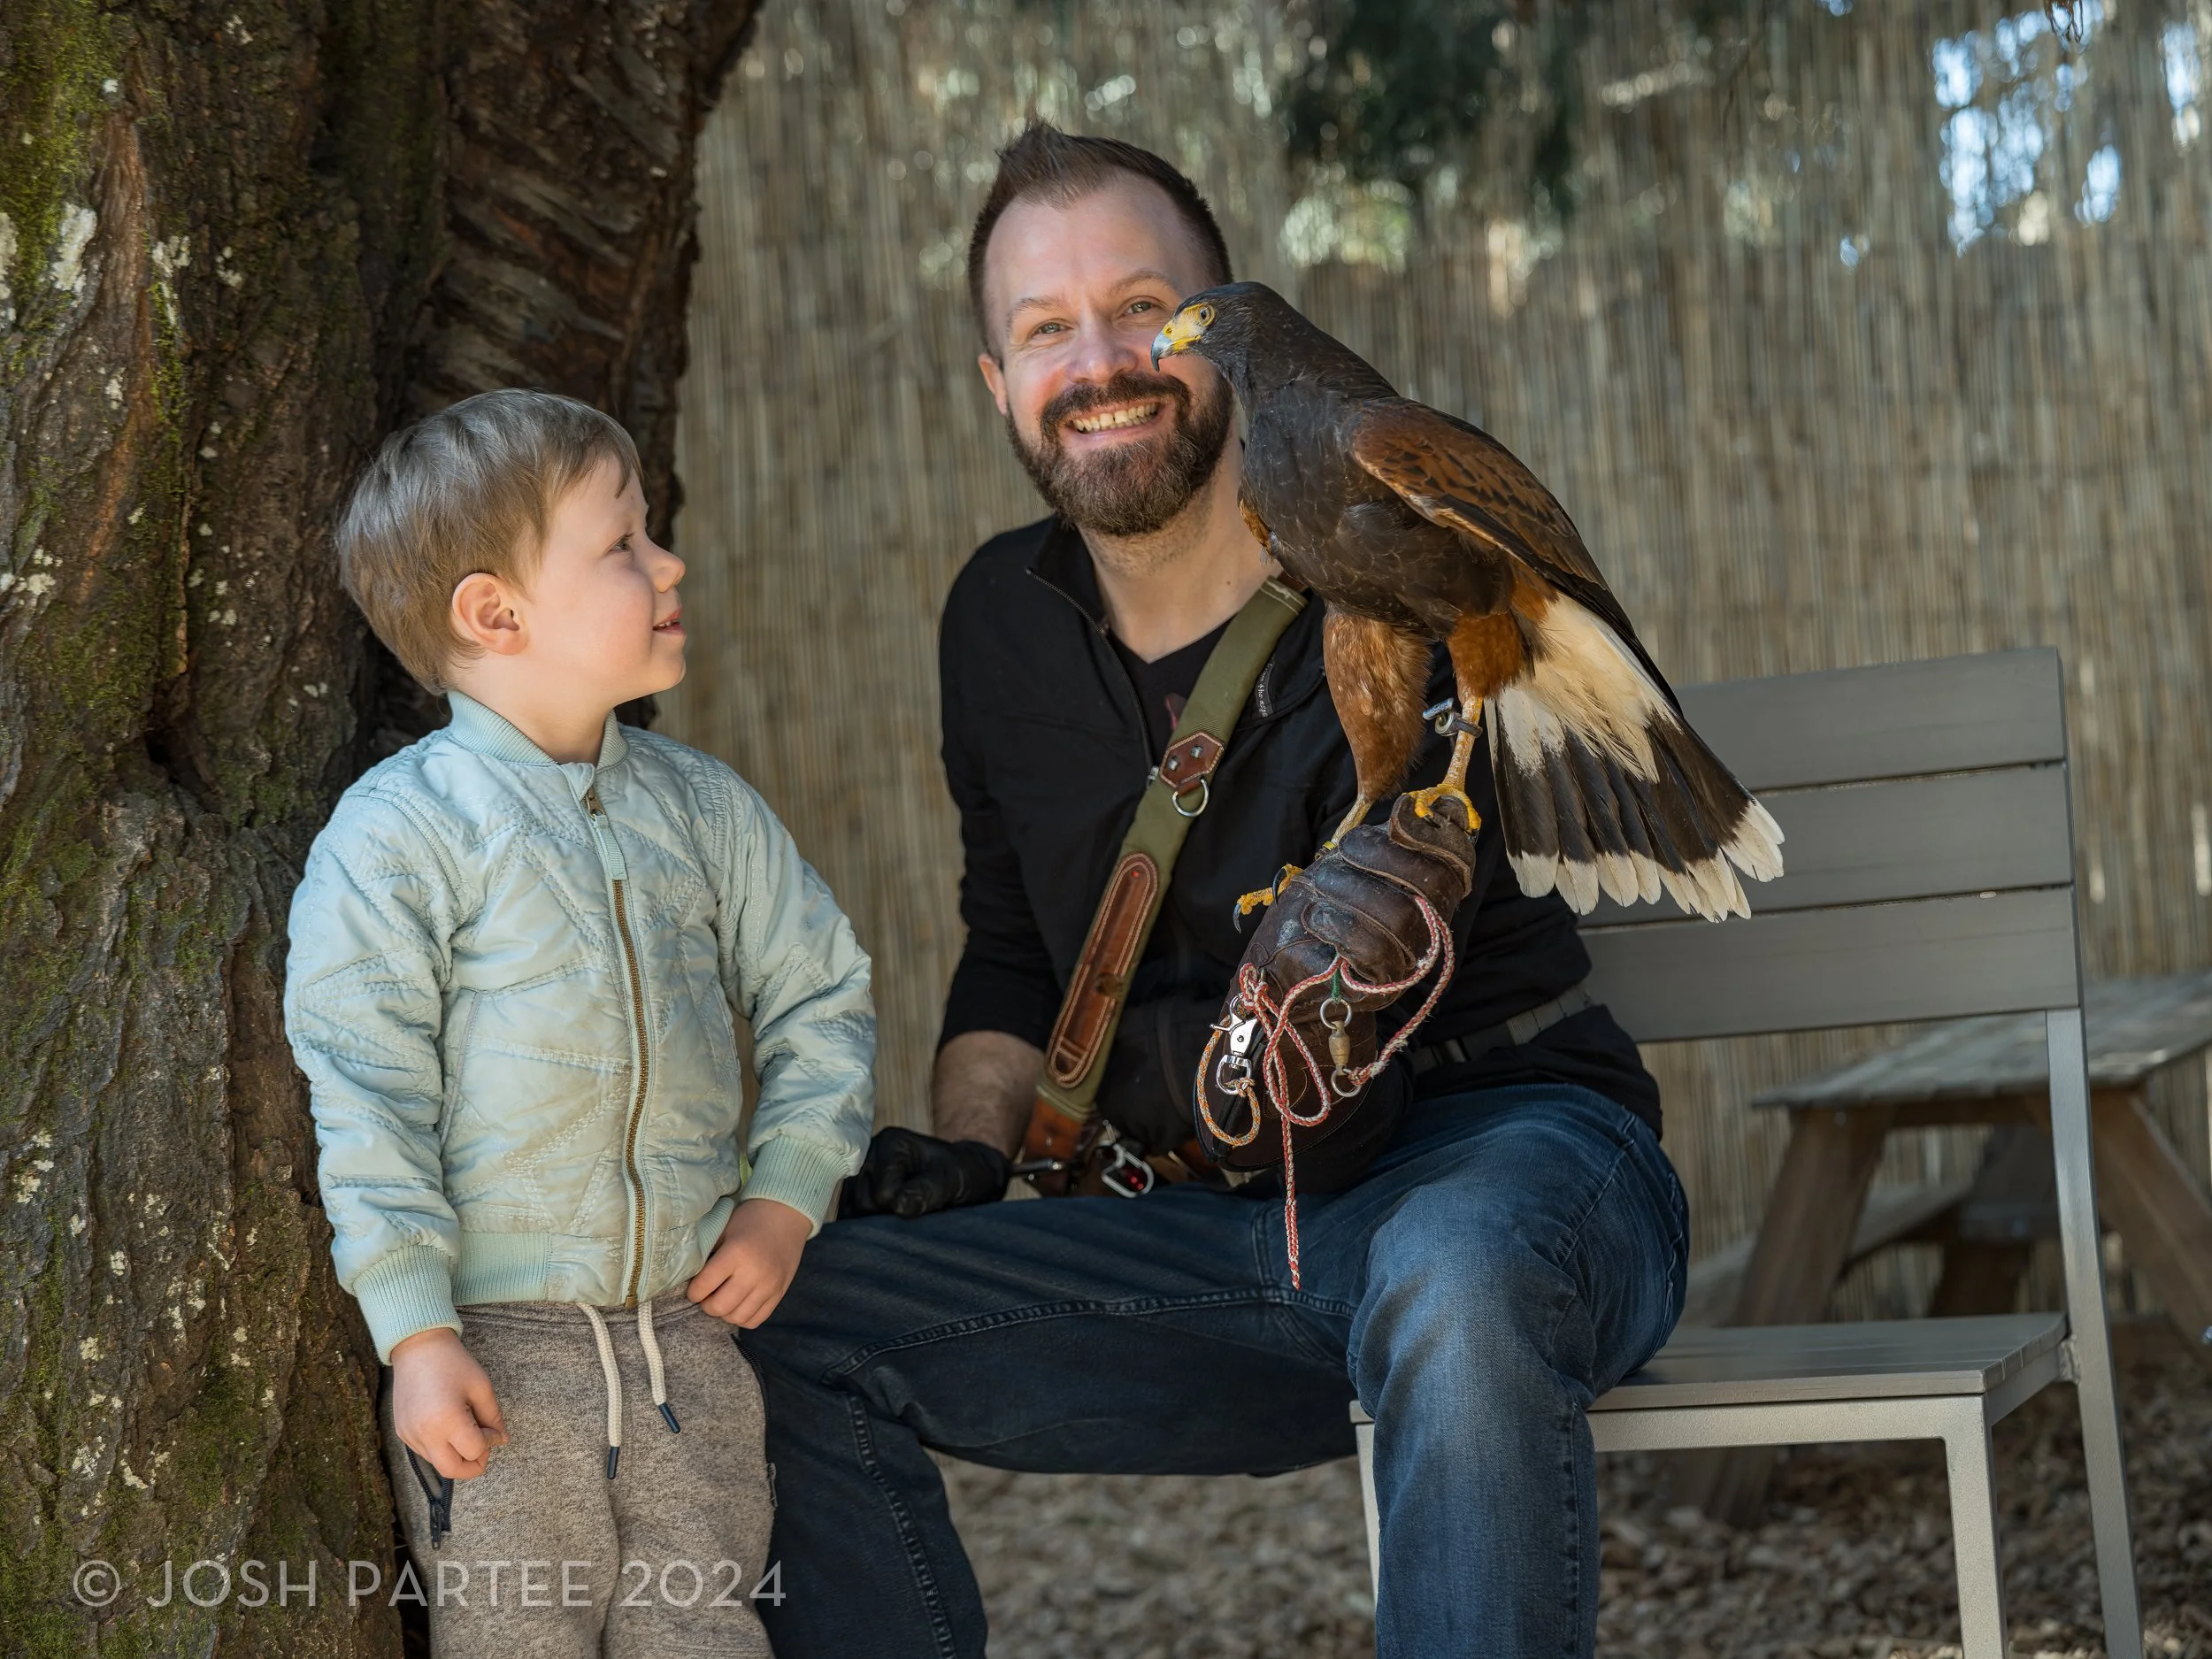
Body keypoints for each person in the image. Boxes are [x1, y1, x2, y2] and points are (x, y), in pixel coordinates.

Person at [748, 125, 1687, 1659]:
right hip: (1216, 1238)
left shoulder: (1393, 557)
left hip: (1498, 1170)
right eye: (1045, 329)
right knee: (788, 1316)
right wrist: (978, 1151)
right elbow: (1009, 951)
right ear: (999, 385)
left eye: (1142, 306)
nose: (1101, 360)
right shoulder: (997, 621)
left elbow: (1377, 1025)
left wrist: (1181, 1066)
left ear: (1227, 325)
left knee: (1451, 1279)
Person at [282, 389, 875, 1656]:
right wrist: (417, 1330)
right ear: (495, 613)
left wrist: (786, 1192)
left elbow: (820, 991)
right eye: (623, 544)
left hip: (691, 1351)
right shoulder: (398, 839)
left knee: (707, 1631)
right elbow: (367, 1085)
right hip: (496, 1366)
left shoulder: (703, 812)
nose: (669, 564)